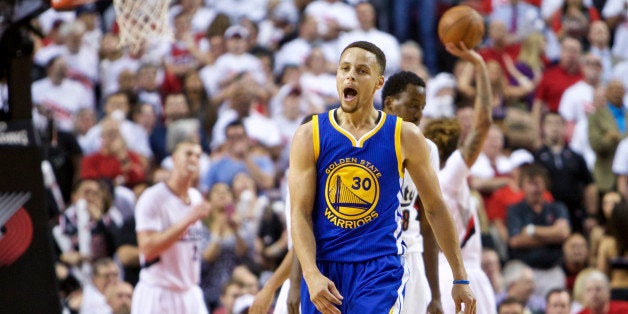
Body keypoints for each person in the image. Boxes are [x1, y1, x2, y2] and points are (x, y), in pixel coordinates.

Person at [289, 41, 475, 314]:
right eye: (345, 69)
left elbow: (435, 208)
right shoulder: (309, 135)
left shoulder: (405, 136)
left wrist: (460, 276)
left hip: (379, 268)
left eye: (361, 71)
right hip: (325, 266)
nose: (350, 76)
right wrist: (310, 273)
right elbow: (300, 215)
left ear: (378, 83)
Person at [421, 43, 497, 314]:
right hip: (461, 276)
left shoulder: (419, 177)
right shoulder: (450, 173)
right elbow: (484, 123)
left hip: (433, 278)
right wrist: (479, 66)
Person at [381, 70, 442, 314]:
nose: (418, 115)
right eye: (412, 105)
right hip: (376, 257)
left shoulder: (428, 150)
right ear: (389, 104)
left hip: (412, 253)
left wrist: (436, 293)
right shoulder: (364, 145)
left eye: (422, 107)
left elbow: (429, 223)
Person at [131, 140, 212, 314]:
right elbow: (147, 248)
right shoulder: (153, 198)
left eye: (198, 155)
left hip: (190, 292)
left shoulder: (196, 197)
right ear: (174, 159)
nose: (193, 159)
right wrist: (188, 220)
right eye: (188, 154)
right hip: (159, 292)